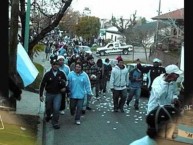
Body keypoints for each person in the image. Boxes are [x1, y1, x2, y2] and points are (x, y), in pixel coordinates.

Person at [39, 58, 67, 129]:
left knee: (56, 108)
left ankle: (55, 122)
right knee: (48, 108)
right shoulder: (48, 74)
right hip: (49, 94)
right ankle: (48, 115)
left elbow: (66, 82)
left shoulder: (61, 73)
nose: (55, 66)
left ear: (58, 66)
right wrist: (41, 95)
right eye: (54, 64)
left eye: (57, 64)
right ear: (52, 65)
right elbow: (42, 84)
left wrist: (65, 88)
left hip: (58, 94)